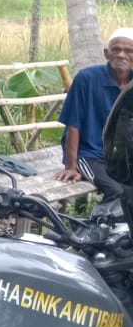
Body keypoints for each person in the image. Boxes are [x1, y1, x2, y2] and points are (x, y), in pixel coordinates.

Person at [54, 28, 133, 201]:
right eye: (116, 50)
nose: (121, 55)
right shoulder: (86, 78)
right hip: (90, 154)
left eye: (129, 51)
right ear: (107, 54)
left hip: (122, 157)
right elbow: (73, 125)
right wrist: (71, 166)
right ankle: (98, 225)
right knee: (118, 192)